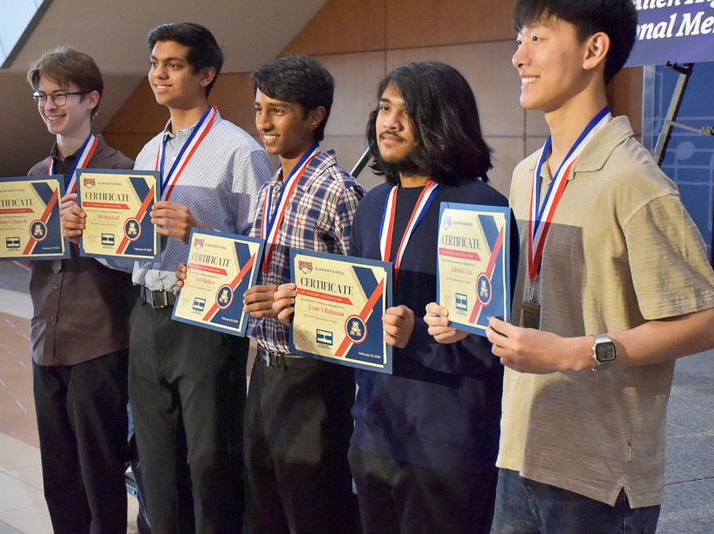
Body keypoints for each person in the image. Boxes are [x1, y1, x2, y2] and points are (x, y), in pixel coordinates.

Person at [485, 1, 714, 532]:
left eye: (538, 38)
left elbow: (704, 319)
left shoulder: (634, 180)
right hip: (520, 449)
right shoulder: (526, 175)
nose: (519, 57)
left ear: (595, 49)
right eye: (519, 40)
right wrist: (469, 321)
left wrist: (575, 352)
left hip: (601, 478)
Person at [274, 61, 513, 533]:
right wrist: (310, 310)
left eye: (409, 111)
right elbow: (356, 323)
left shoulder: (479, 206)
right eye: (385, 107)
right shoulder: (371, 206)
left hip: (447, 443)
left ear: (445, 120)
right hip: (375, 432)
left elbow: (491, 340)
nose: (390, 122)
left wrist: (416, 335)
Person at [64, 23, 271, 533]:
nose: (157, 74)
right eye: (154, 63)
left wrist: (200, 233)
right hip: (149, 315)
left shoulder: (239, 150)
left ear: (205, 74)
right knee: (154, 463)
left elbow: (263, 251)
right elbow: (135, 255)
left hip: (205, 320)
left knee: (208, 463)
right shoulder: (151, 152)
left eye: (172, 64)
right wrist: (91, 235)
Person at [0, 46, 137, 533]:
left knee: (101, 471)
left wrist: (88, 232)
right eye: (42, 96)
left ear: (92, 99)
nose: (49, 105)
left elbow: (135, 261)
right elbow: (38, 261)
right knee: (58, 475)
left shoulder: (120, 171)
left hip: (100, 341)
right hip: (47, 340)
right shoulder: (36, 177)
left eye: (60, 94)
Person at [243, 54, 363, 533]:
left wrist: (302, 305)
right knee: (263, 506)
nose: (264, 123)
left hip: (315, 377)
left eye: (278, 110)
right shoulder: (271, 186)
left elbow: (364, 304)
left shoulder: (340, 191)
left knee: (313, 511)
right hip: (265, 368)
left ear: (314, 116)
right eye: (258, 109)